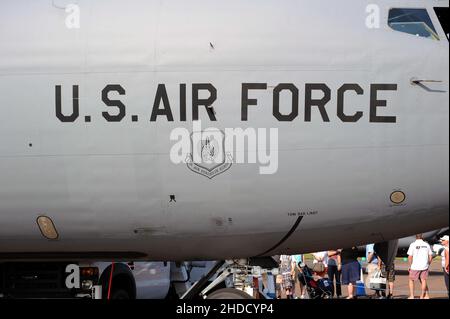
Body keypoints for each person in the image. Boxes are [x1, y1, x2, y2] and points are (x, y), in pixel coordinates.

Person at [407, 234, 433, 299]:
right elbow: (430, 256)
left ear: (416, 237)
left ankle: (412, 296)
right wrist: (428, 264)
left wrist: (410, 265)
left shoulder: (413, 244)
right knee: (423, 280)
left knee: (411, 280)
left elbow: (410, 256)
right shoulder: (426, 245)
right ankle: (423, 295)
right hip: (424, 266)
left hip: (415, 266)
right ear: (422, 237)